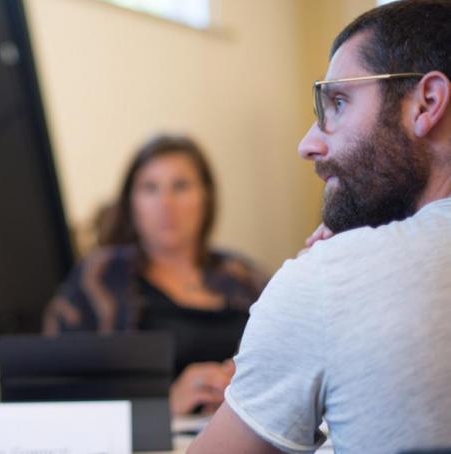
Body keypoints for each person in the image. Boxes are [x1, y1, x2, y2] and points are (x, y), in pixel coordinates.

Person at [189, 1, 451, 453]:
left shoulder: (330, 280)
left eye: (339, 101)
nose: (308, 143)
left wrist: (343, 270)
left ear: (426, 102)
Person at [43, 135, 267, 416]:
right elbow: (58, 385)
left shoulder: (242, 276)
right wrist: (164, 405)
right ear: (131, 202)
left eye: (181, 186)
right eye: (150, 188)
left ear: (206, 197)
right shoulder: (100, 277)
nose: (166, 203)